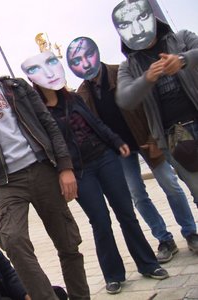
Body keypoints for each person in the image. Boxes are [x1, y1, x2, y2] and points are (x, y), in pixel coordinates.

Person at [0, 32, 89, 300]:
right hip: (7, 182)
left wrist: (65, 166)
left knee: (68, 242)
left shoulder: (17, 87)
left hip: (42, 168)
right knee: (12, 240)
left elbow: (48, 125)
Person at [22, 54, 169, 294]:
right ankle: (113, 275)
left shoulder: (74, 98)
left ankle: (147, 263)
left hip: (104, 158)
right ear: (33, 81)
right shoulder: (39, 114)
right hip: (79, 171)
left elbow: (96, 124)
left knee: (126, 212)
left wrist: (116, 141)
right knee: (100, 221)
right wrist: (63, 170)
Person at [72, 36, 198, 264]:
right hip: (121, 152)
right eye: (76, 61)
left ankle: (190, 232)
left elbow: (147, 103)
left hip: (146, 140)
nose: (84, 63)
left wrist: (154, 137)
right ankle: (164, 239)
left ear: (96, 53)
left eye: (86, 55)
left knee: (170, 184)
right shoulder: (82, 92)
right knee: (137, 195)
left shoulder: (118, 72)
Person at [114, 5, 198, 212]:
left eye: (141, 17)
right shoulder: (128, 66)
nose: (136, 27)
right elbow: (125, 99)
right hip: (174, 137)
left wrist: (183, 60)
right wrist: (147, 79)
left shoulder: (181, 39)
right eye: (126, 24)